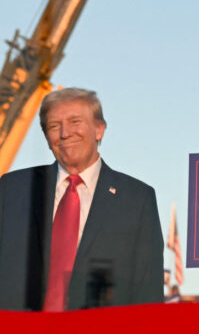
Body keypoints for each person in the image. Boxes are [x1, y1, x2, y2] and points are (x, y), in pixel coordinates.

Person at [0, 88, 164, 311]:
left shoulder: (137, 199)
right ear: (47, 139)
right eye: (54, 126)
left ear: (99, 129)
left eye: (75, 121)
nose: (65, 133)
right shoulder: (12, 188)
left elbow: (148, 292)